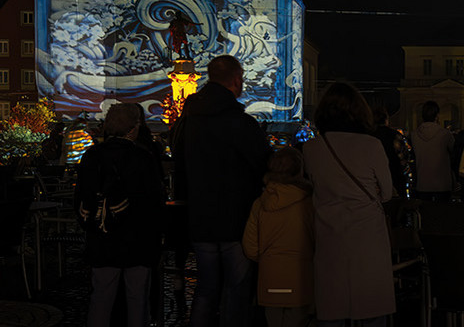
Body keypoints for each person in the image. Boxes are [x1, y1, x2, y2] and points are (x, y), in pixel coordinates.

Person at [172, 54, 272, 327]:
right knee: (236, 290)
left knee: (206, 288)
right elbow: (264, 163)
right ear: (236, 81)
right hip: (235, 220)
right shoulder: (241, 124)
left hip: (201, 218)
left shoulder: (190, 121)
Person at [303, 82, 395, 327]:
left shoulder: (312, 149)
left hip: (329, 236)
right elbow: (386, 193)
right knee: (371, 306)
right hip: (367, 237)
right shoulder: (371, 145)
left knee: (332, 307)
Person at [75, 102, 166, 327]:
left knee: (101, 299)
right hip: (138, 242)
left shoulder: (92, 155)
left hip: (102, 239)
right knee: (137, 300)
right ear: (133, 128)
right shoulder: (143, 158)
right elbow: (155, 202)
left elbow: (80, 198)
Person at [244, 147, 315, 327]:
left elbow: (250, 246)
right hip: (301, 278)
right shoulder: (308, 203)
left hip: (271, 277)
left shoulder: (260, 203)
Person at [411, 101, 454, 200]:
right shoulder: (445, 135)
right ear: (437, 116)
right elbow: (453, 152)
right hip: (442, 184)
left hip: (422, 184)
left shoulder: (414, 135)